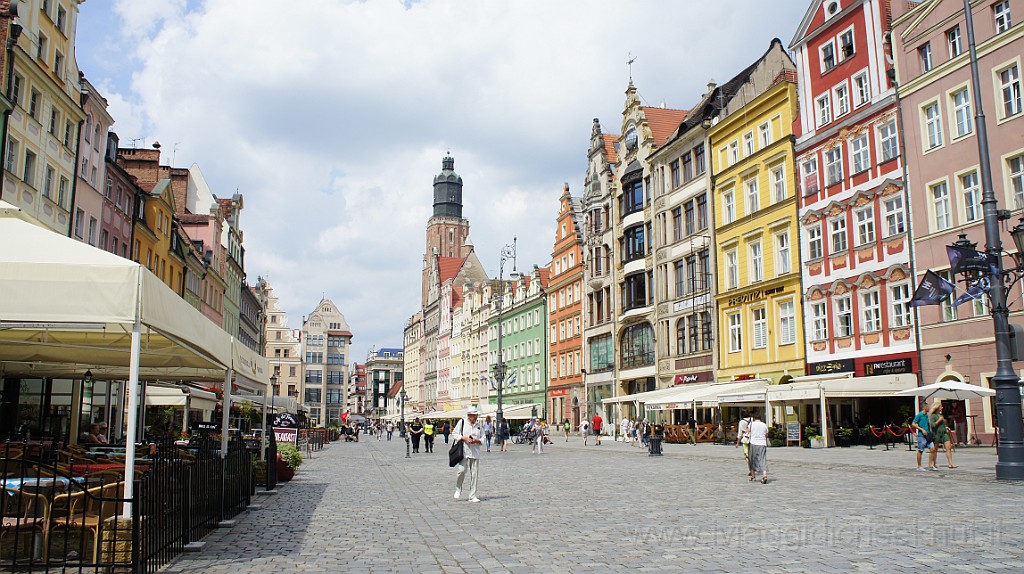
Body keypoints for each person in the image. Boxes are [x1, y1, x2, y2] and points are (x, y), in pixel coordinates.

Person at [453, 406, 484, 503]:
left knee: (474, 474)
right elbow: (454, 434)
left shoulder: (479, 425)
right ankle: (458, 489)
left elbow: (483, 437)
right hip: (464, 452)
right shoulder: (462, 422)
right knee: (461, 471)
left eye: (476, 416)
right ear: (469, 415)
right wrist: (464, 438)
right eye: (474, 416)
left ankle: (472, 495)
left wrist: (477, 440)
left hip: (475, 453)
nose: (475, 418)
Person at [930, 401, 956, 469]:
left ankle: (950, 463)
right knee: (935, 449)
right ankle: (934, 463)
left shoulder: (941, 415)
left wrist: (946, 427)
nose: (942, 407)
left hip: (944, 433)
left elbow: (943, 424)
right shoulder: (933, 416)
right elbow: (933, 425)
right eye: (940, 406)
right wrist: (939, 420)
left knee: (949, 447)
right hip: (936, 434)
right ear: (937, 407)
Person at [912, 401, 937, 471]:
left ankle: (931, 465)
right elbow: (913, 424)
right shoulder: (919, 415)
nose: (929, 408)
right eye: (928, 407)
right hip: (921, 435)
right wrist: (921, 429)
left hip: (928, 434)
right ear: (925, 407)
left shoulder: (927, 415)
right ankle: (919, 466)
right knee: (920, 450)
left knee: (932, 449)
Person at [748, 413, 769, 484]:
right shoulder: (764, 425)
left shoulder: (751, 424)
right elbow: (766, 434)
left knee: (752, 459)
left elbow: (748, 432)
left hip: (753, 443)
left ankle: (753, 475)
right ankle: (765, 475)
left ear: (753, 418)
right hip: (762, 443)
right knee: (763, 459)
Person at [736, 411, 753, 478]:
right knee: (752, 454)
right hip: (753, 439)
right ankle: (753, 467)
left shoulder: (741, 422)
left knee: (746, 455)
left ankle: (750, 469)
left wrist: (737, 442)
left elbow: (740, 433)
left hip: (745, 440)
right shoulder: (753, 420)